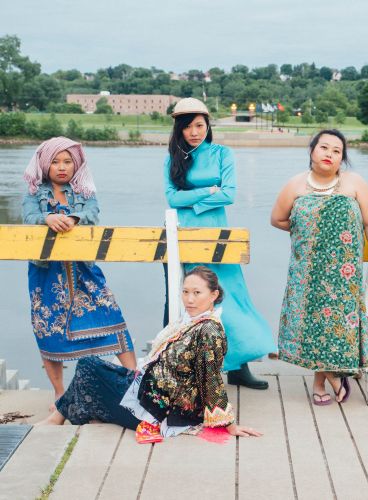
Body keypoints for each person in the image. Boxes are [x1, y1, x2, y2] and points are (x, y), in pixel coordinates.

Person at [39, 267, 262, 438]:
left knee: (89, 367)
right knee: (94, 369)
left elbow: (210, 378)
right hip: (151, 389)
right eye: (185, 292)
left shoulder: (209, 330)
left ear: (213, 295)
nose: (189, 299)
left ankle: (57, 418)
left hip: (161, 409)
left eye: (197, 293)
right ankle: (62, 415)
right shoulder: (192, 320)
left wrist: (229, 425)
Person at [163, 97, 276, 390]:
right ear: (178, 129)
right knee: (190, 299)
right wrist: (208, 191)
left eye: (199, 125)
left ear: (208, 125)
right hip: (184, 234)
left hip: (217, 234)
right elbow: (172, 198)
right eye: (187, 127)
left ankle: (238, 366)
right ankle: (181, 369)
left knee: (231, 297)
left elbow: (229, 194)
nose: (194, 132)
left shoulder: (222, 154)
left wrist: (194, 200)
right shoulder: (173, 158)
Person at [271, 129, 368, 404]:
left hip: (343, 271)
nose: (329, 154)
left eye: (337, 151)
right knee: (312, 325)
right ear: (312, 150)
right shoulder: (295, 184)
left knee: (335, 326)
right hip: (307, 270)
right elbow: (277, 219)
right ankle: (330, 379)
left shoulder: (354, 183)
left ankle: (325, 380)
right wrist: (308, 230)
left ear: (342, 158)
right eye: (324, 147)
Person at [22, 136, 136, 403]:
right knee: (47, 328)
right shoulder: (34, 193)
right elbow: (28, 217)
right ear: (45, 164)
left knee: (110, 315)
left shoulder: (84, 192)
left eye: (67, 162)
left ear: (76, 164)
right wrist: (47, 218)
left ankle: (135, 384)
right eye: (55, 162)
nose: (62, 167)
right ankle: (60, 395)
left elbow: (93, 212)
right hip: (46, 273)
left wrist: (74, 218)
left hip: (83, 269)